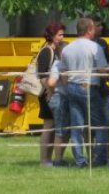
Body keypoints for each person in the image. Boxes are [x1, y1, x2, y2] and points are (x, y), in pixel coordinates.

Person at [60, 17, 109, 167]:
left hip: (72, 87)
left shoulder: (67, 48)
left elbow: (64, 72)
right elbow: (102, 71)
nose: (95, 30)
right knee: (100, 125)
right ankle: (100, 159)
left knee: (77, 126)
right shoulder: (95, 47)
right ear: (89, 30)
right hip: (89, 87)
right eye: (93, 28)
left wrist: (68, 86)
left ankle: (80, 161)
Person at [87, 15, 109, 165]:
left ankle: (108, 156)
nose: (101, 28)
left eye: (101, 25)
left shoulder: (103, 43)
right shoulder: (83, 44)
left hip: (103, 89)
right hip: (89, 89)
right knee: (90, 126)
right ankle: (92, 156)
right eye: (97, 25)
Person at [37, 21, 65, 167]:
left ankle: (49, 159)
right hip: (47, 94)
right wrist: (49, 91)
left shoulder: (54, 50)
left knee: (53, 126)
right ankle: (44, 160)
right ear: (52, 36)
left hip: (53, 93)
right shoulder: (46, 51)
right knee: (48, 126)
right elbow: (41, 75)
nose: (62, 37)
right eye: (60, 34)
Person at [46, 56, 70, 166]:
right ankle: (58, 160)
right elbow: (51, 82)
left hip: (60, 97)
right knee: (60, 131)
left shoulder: (57, 63)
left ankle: (59, 159)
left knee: (64, 131)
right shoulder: (59, 64)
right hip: (60, 98)